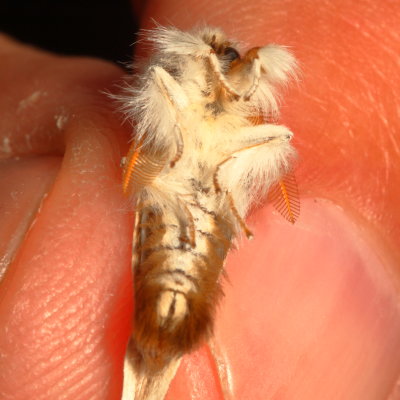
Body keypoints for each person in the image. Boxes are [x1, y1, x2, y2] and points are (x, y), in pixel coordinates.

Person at [0, 0, 399, 398]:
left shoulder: (253, 116)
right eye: (224, 57)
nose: (230, 65)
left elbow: (277, 149)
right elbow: (154, 111)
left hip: (209, 201)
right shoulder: (173, 89)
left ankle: (161, 351)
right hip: (170, 193)